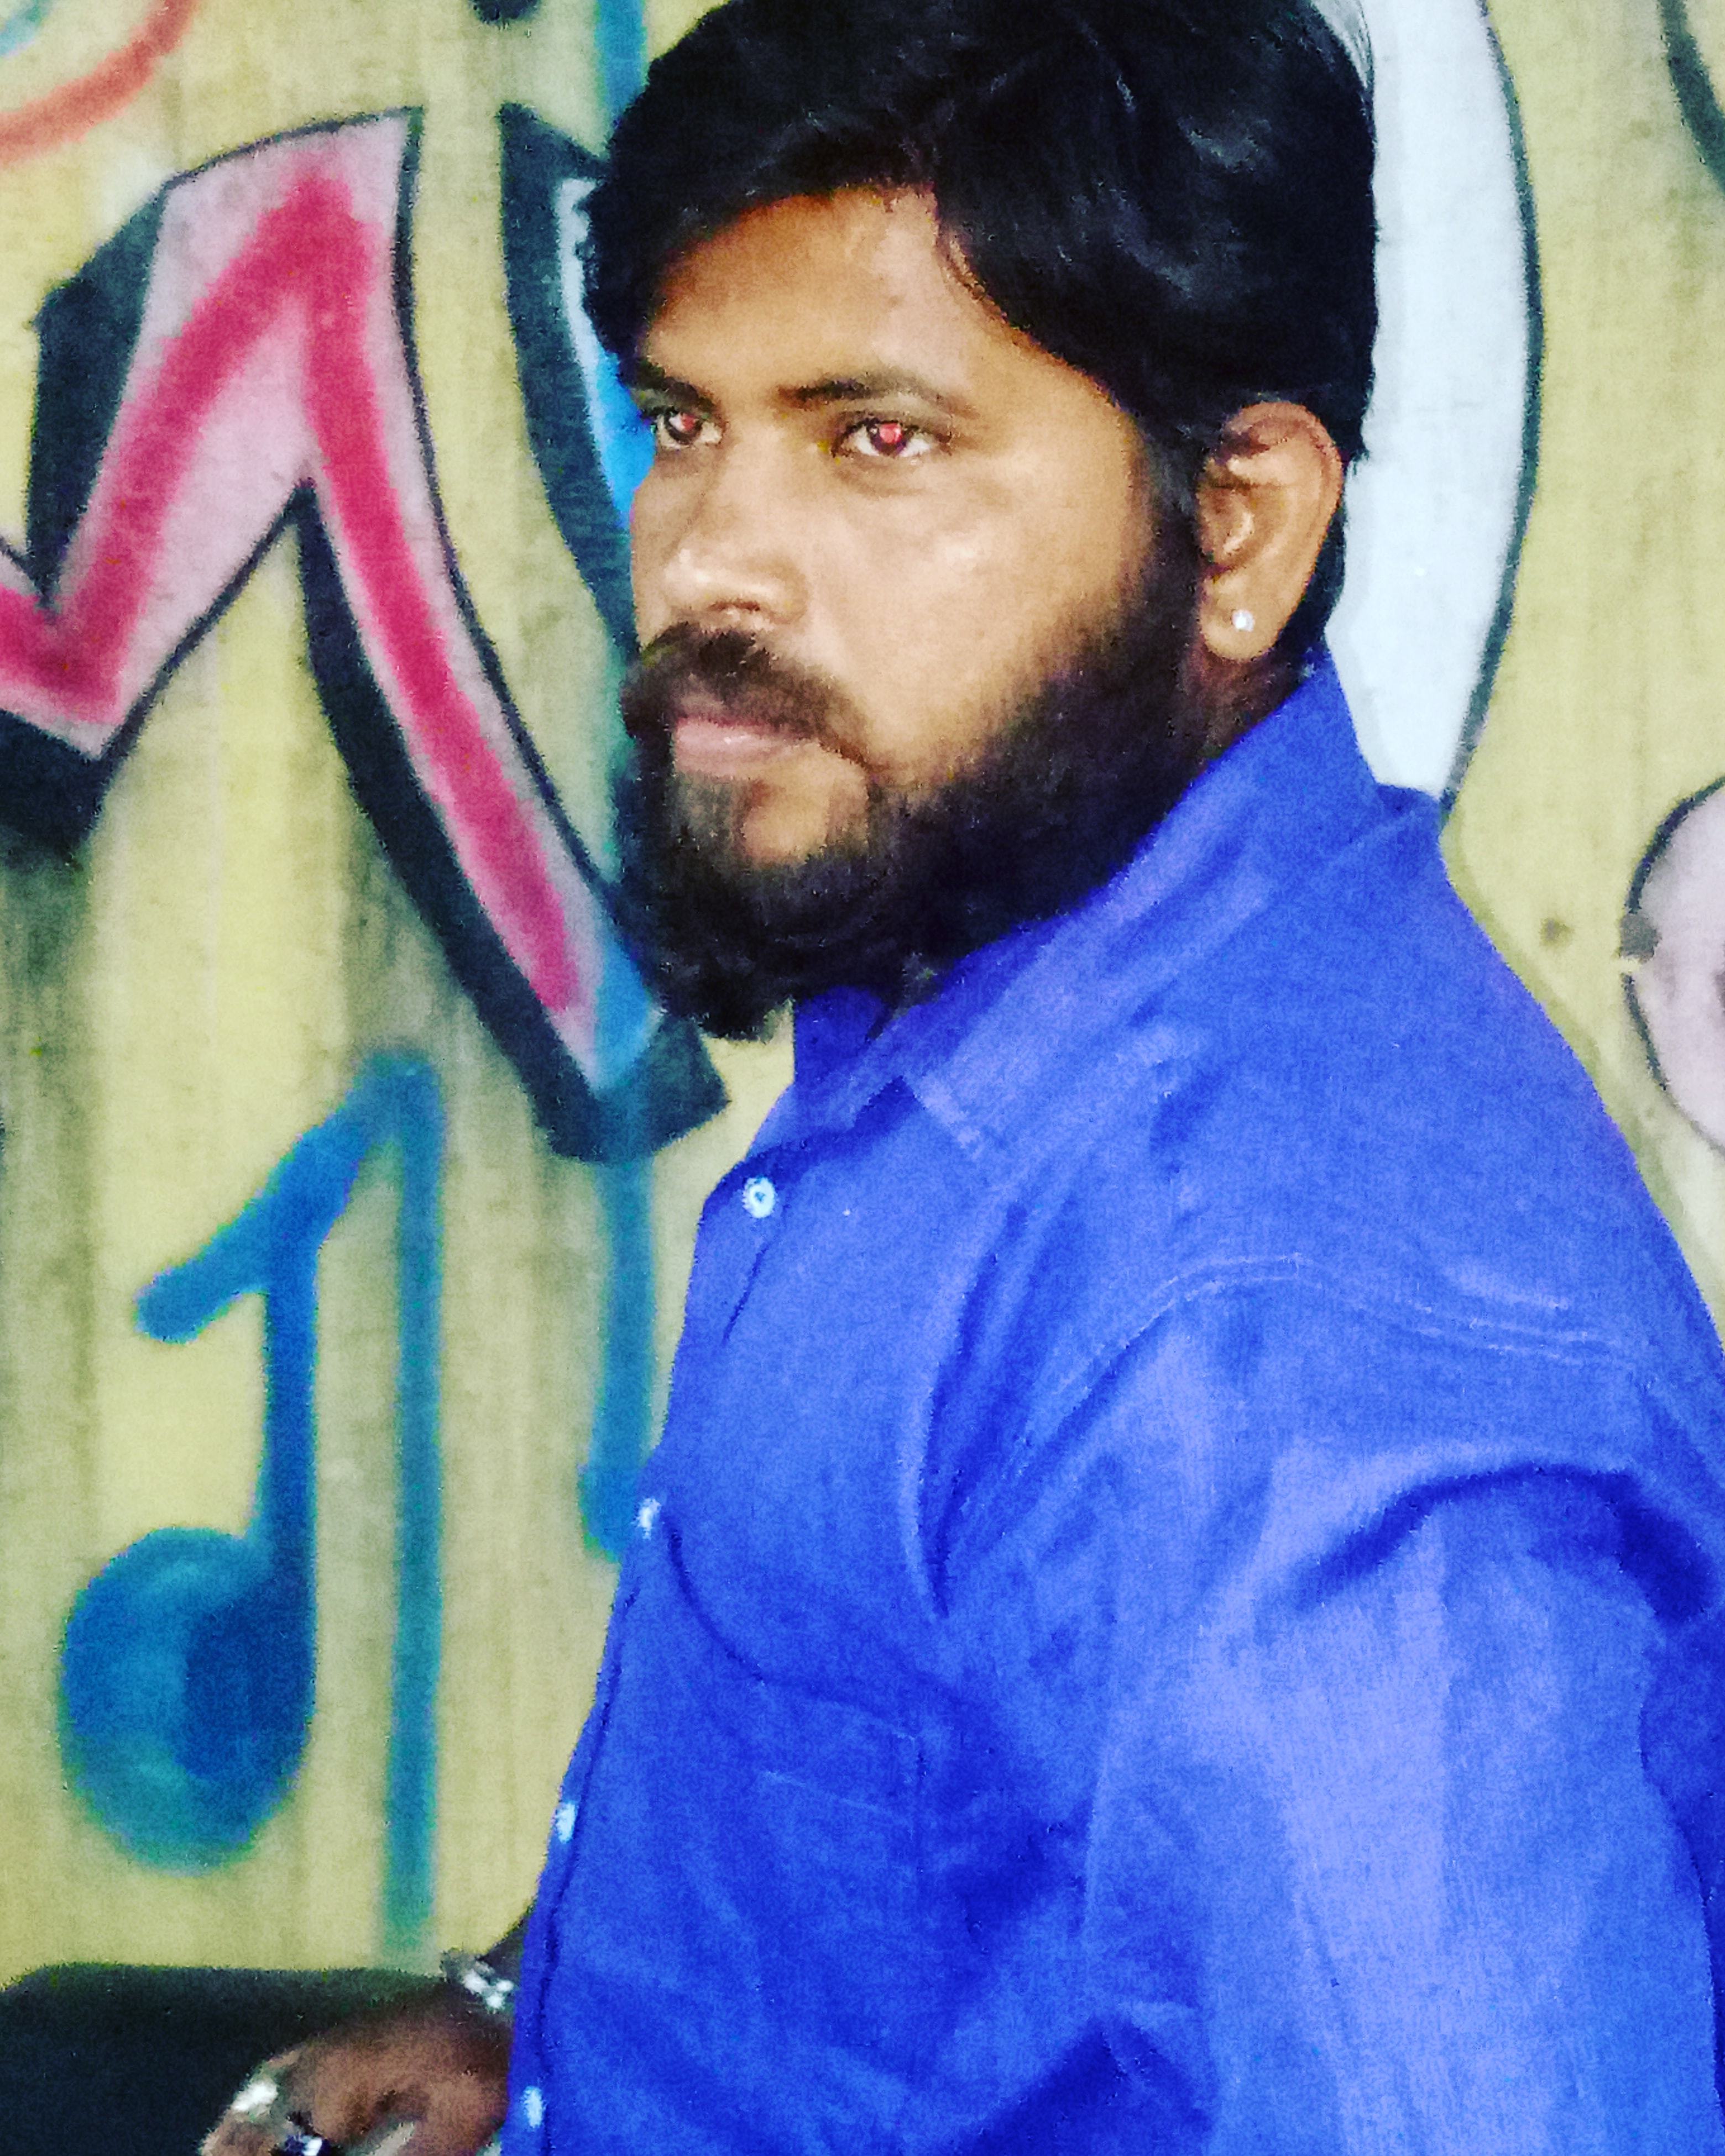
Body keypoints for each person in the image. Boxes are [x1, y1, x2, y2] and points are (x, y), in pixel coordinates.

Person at [206, 0, 1725, 2149]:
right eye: (684, 421)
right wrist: (533, 2024)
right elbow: (928, 1838)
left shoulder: (1276, 1377)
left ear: (1239, 528)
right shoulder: (1012, 973)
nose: (703, 556)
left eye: (878, 440)